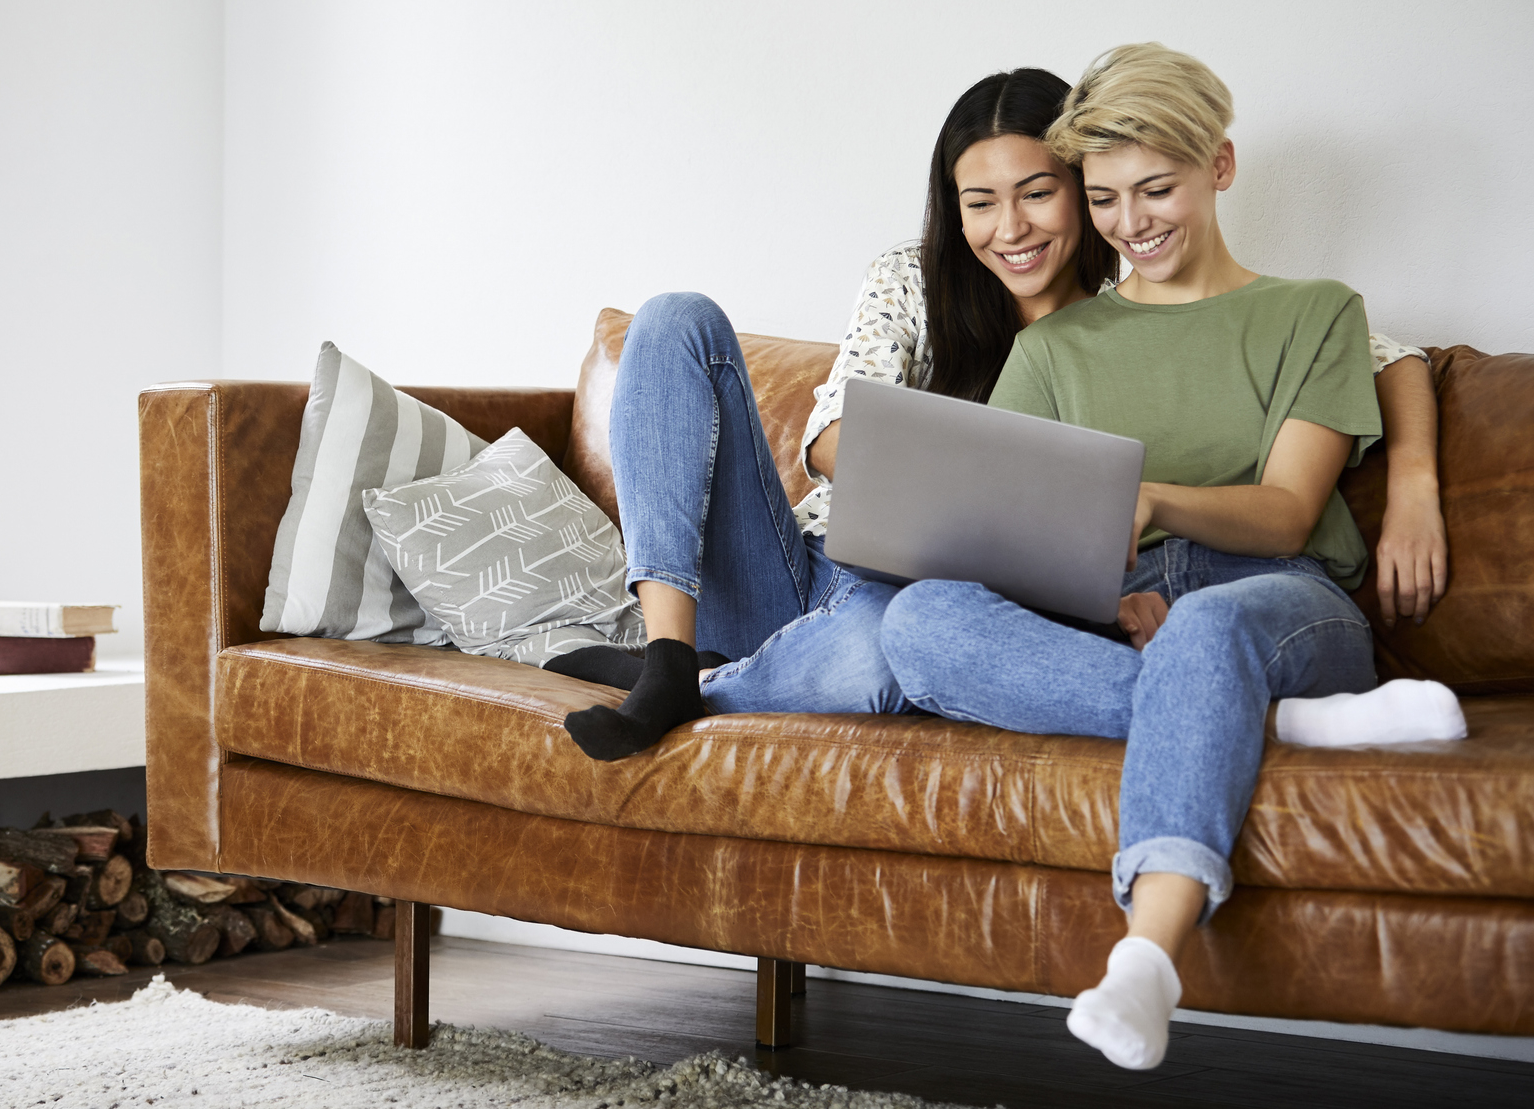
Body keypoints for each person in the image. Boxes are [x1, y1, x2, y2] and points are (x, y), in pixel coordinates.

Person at [556, 63, 1452, 763]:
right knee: (674, 319)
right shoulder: (912, 280)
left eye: (1037, 193)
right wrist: (969, 483)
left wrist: (1412, 481)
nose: (1010, 228)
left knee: (894, 645)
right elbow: (827, 439)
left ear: (1082, 186)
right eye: (979, 203)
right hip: (806, 568)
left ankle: (708, 686)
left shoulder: (1139, 296)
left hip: (909, 609)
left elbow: (1382, 350)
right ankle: (667, 654)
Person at [871, 44, 1467, 1072]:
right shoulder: (1052, 349)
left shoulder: (1315, 311)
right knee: (919, 619)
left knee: (1208, 627)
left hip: (1279, 600)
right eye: (1103, 199)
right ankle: (1273, 725)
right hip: (1132, 615)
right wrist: (1097, 598)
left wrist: (1147, 497)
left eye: (1156, 188)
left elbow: (1287, 514)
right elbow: (1005, 539)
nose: (1130, 222)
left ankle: (1146, 955)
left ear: (1219, 166)